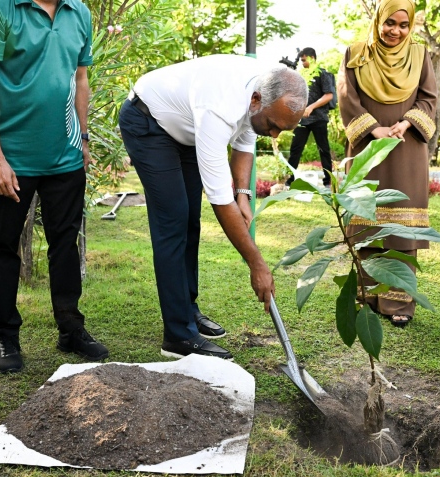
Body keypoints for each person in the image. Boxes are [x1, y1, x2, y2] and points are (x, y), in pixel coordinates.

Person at [118, 55, 307, 360]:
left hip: (186, 130)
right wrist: (257, 263)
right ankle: (178, 336)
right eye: (273, 126)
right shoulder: (220, 106)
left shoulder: (262, 88)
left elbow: (245, 140)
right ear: (257, 100)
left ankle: (187, 309)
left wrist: (243, 195)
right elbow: (220, 199)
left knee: (191, 219)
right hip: (149, 122)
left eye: (283, 130)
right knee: (173, 221)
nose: (275, 135)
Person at [0, 0, 108, 373]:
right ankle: (7, 336)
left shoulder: (78, 12)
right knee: (3, 246)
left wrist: (84, 137)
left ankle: (71, 329)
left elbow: (80, 78)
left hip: (65, 154)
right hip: (12, 158)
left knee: (65, 242)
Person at [338, 0, 438, 327]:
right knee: (367, 225)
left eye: (403, 24)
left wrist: (407, 123)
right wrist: (372, 128)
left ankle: (400, 304)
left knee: (403, 230)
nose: (396, 31)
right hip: (368, 149)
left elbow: (429, 98)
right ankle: (367, 296)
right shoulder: (355, 54)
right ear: (379, 20)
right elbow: (346, 97)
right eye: (389, 23)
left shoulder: (420, 55)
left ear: (410, 26)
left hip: (406, 150)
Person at [285, 47, 335, 187]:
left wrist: (311, 107)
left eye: (304, 60)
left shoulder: (323, 74)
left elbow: (329, 95)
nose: (302, 63)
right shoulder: (302, 75)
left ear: (312, 58)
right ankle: (290, 181)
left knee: (323, 150)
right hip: (303, 120)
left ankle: (328, 182)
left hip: (319, 118)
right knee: (295, 150)